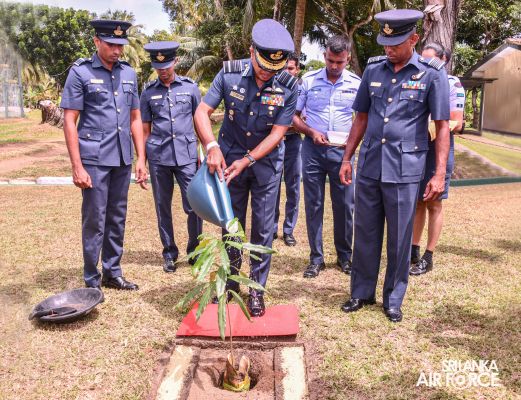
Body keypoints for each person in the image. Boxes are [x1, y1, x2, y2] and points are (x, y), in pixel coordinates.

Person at [339, 9, 450, 322]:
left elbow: (442, 126)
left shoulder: (431, 73)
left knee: (400, 238)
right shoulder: (373, 69)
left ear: (414, 39)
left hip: (405, 168)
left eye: (396, 43)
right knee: (365, 232)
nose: (388, 49)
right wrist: (347, 157)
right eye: (385, 43)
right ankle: (361, 292)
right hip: (371, 164)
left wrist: (439, 173)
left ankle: (393, 298)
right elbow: (361, 117)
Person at [193, 19, 298, 317]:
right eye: (263, 66)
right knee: (231, 225)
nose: (267, 73)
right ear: (252, 52)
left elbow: (278, 133)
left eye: (273, 69)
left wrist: (249, 159)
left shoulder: (289, 86)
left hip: (265, 166)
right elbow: (202, 112)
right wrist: (211, 146)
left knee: (263, 229)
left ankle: (256, 290)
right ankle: (229, 284)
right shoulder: (229, 74)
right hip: (228, 162)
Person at [61, 19, 147, 291]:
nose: (117, 51)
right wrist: (77, 166)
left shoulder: (128, 73)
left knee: (117, 217)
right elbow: (69, 120)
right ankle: (91, 279)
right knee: (94, 220)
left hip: (122, 158)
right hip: (95, 159)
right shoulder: (81, 72)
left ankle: (112, 272)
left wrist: (140, 158)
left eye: (120, 45)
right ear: (97, 41)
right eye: (111, 45)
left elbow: (135, 118)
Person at [293, 35, 360, 278]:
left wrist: (350, 148)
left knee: (345, 204)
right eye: (330, 60)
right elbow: (294, 115)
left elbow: (362, 119)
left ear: (348, 59)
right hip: (313, 150)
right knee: (314, 204)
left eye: (339, 62)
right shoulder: (309, 81)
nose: (334, 66)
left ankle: (345, 257)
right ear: (324, 56)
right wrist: (311, 132)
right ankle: (316, 258)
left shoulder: (356, 83)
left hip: (343, 152)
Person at [140, 41, 203, 273]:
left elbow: (200, 122)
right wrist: (142, 161)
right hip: (159, 157)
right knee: (162, 207)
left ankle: (195, 250)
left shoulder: (190, 88)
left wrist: (204, 152)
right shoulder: (148, 92)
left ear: (175, 61)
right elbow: (144, 130)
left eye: (166, 66)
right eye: (158, 68)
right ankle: (169, 253)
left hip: (187, 156)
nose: (163, 71)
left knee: (194, 206)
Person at [410, 44, 465, 275]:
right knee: (418, 201)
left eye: (431, 60)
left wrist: (431, 124)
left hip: (438, 146)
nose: (425, 64)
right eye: (422, 59)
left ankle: (428, 256)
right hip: (416, 145)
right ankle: (412, 250)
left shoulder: (452, 84)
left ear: (444, 60)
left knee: (434, 202)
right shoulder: (417, 79)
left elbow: (457, 121)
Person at [273, 53, 302, 247]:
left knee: (293, 186)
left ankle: (288, 230)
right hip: (274, 142)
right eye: (284, 68)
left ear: (297, 70)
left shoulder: (302, 88)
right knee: (272, 185)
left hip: (293, 141)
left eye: (290, 68)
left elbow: (303, 116)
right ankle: (271, 228)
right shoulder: (273, 86)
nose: (287, 72)